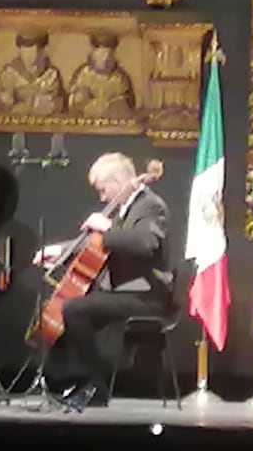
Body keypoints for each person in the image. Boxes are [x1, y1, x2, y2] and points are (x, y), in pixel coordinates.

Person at [28, 152, 173, 411]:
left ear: (119, 181)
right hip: (124, 292)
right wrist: (59, 250)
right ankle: (62, 383)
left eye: (103, 189)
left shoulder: (151, 206)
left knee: (75, 309)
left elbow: (145, 244)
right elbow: (91, 243)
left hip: (148, 296)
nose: (102, 197)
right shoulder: (124, 208)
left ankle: (97, 386)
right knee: (63, 309)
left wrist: (108, 228)